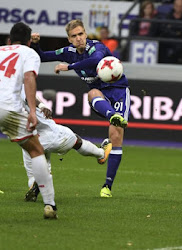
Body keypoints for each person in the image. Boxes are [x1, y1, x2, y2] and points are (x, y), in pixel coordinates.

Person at [30, 19, 130, 198]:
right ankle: (112, 115)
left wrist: (69, 67)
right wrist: (36, 45)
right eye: (74, 36)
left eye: (81, 34)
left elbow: (96, 60)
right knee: (92, 93)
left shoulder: (96, 47)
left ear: (86, 34)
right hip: (101, 96)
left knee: (115, 136)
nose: (78, 39)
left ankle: (107, 186)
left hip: (119, 91)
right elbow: (43, 56)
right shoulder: (68, 52)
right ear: (69, 39)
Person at [0, 22, 57, 218]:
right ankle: (50, 205)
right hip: (8, 107)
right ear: (28, 42)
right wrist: (33, 110)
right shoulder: (29, 53)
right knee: (36, 150)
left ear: (9, 40)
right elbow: (29, 78)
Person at [22, 92, 112, 202]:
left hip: (28, 140)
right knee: (76, 140)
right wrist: (41, 105)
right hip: (51, 135)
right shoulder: (17, 83)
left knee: (34, 172)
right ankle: (101, 154)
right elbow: (27, 96)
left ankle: (35, 186)